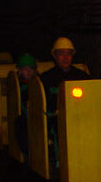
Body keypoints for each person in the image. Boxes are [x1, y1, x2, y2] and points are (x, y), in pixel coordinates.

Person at [39, 37, 90, 167]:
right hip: (56, 119)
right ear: (55, 56)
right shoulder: (45, 79)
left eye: (68, 54)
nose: (65, 57)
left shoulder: (82, 77)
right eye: (61, 54)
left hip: (80, 117)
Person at [14, 53, 37, 157]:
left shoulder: (38, 83)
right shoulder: (17, 85)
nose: (29, 72)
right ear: (19, 70)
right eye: (25, 69)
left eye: (31, 69)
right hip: (24, 116)